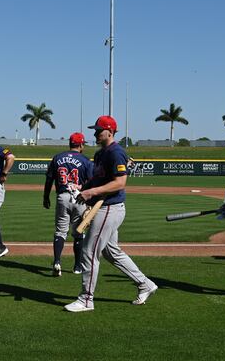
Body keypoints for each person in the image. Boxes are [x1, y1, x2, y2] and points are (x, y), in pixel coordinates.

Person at [64, 115, 157, 313]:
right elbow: (96, 181)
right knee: (111, 252)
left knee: (89, 252)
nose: (95, 133)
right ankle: (145, 284)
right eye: (95, 130)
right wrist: (82, 188)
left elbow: (120, 183)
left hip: (109, 208)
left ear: (110, 132)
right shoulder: (100, 155)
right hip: (101, 206)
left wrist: (90, 192)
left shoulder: (116, 153)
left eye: (98, 130)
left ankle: (86, 299)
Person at [43, 132, 94, 276]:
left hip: (62, 197)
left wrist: (46, 197)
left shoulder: (57, 158)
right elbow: (91, 182)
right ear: (81, 144)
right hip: (79, 198)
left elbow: (49, 180)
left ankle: (57, 262)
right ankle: (77, 266)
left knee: (60, 231)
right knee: (78, 233)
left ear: (70, 143)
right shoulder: (85, 160)